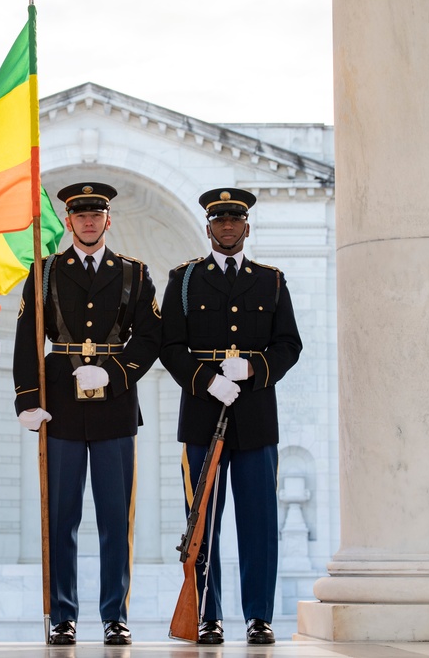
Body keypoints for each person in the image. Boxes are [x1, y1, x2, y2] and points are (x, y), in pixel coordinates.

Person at [12, 182, 162, 646]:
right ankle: (63, 614)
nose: (89, 222)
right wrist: (28, 399)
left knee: (116, 517)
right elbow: (26, 338)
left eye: (96, 214)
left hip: (115, 407)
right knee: (62, 518)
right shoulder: (44, 272)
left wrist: (115, 375)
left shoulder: (134, 273)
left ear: (108, 220)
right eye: (80, 215)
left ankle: (115, 615)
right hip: (60, 403)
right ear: (69, 221)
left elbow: (151, 337)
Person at [159, 187, 302, 645]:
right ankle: (208, 614)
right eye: (219, 220)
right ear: (208, 227)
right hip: (203, 412)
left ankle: (259, 615)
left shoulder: (271, 280)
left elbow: (288, 345)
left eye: (234, 220)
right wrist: (206, 380)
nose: (226, 227)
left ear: (245, 227)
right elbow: (169, 346)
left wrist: (255, 369)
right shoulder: (183, 280)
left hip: (256, 414)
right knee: (203, 523)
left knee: (258, 522)